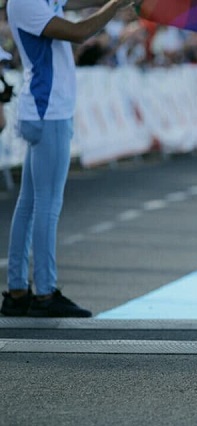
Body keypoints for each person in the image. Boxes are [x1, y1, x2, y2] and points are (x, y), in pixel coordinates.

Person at [1, 0, 138, 318]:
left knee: (29, 204)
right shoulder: (25, 2)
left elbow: (78, 0)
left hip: (42, 108)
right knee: (46, 206)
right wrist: (116, 5)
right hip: (49, 111)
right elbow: (79, 32)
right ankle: (45, 293)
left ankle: (18, 290)